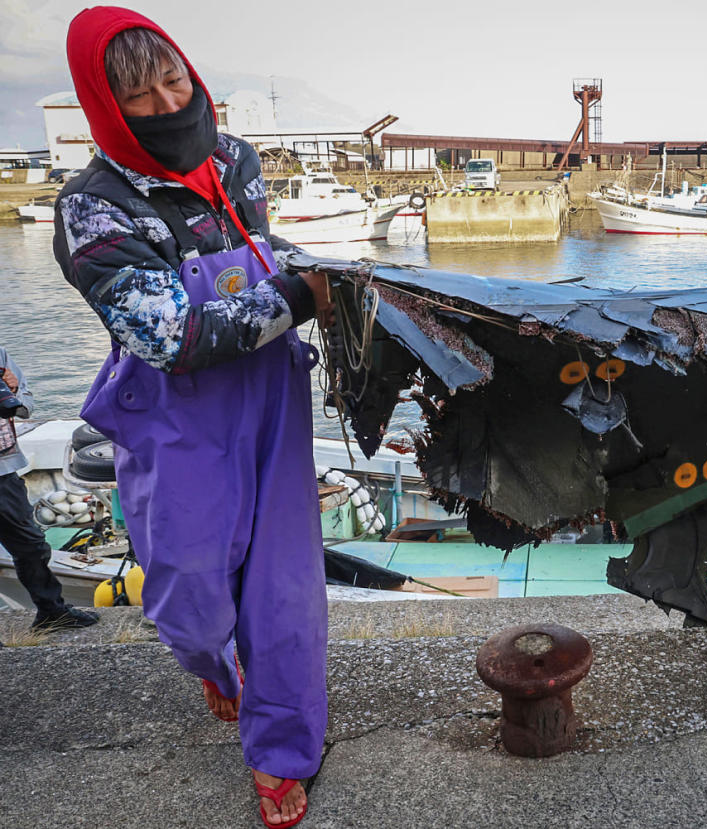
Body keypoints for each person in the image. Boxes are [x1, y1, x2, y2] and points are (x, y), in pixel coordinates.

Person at [53, 8, 333, 827]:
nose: (169, 102)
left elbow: (271, 252)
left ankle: (284, 750)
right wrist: (295, 297)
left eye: (176, 79)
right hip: (175, 411)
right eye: (139, 94)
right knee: (188, 590)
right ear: (105, 106)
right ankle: (213, 665)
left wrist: (322, 285)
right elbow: (169, 334)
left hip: (272, 392)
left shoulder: (237, 160)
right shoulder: (90, 208)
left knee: (284, 590)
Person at [0, 346, 100, 631]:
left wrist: (14, 388)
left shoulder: (1, 355)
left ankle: (51, 612)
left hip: (4, 470)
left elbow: (24, 407)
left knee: (31, 546)